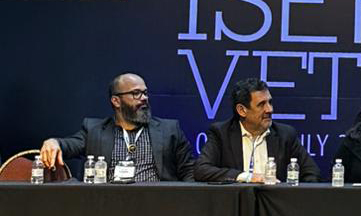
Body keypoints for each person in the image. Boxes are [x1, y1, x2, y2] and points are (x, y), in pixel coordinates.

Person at [39, 72, 194, 181]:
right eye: (136, 94)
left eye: (145, 93)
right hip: (109, 206)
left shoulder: (169, 130)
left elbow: (189, 171)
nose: (144, 98)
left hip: (157, 205)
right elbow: (70, 145)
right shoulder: (94, 130)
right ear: (116, 101)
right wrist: (54, 142)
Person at [195, 77, 320, 183]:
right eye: (261, 104)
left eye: (270, 102)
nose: (269, 109)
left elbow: (312, 173)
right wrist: (247, 177)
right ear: (242, 110)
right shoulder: (221, 133)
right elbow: (202, 170)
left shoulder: (285, 135)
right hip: (235, 206)